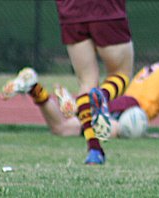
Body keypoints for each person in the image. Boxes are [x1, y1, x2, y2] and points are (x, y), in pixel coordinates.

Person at [1, 41, 159, 143]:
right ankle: (74, 108)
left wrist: (142, 130)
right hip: (130, 109)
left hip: (125, 104)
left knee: (61, 129)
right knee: (69, 128)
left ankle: (35, 88)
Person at [54, 0, 135, 164]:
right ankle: (102, 96)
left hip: (71, 11)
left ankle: (94, 150)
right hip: (106, 9)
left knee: (86, 81)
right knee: (122, 74)